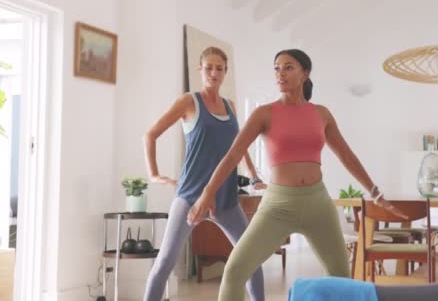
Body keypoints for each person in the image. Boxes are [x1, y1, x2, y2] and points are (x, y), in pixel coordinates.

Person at [187, 49, 405, 301]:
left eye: (288, 67)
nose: (280, 73)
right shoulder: (264, 113)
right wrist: (207, 193)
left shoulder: (321, 114)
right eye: (277, 68)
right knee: (236, 270)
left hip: (318, 204)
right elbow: (232, 156)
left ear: (305, 74)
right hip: (277, 206)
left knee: (341, 276)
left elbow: (347, 156)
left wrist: (375, 192)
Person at [142, 46, 265, 301]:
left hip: (226, 199)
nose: (214, 73)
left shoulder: (230, 106)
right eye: (208, 67)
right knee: (165, 261)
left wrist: (254, 176)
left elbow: (239, 147)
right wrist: (154, 174)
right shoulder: (189, 102)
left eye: (219, 68)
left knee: (251, 257)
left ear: (225, 72)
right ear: (200, 70)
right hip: (190, 195)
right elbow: (150, 134)